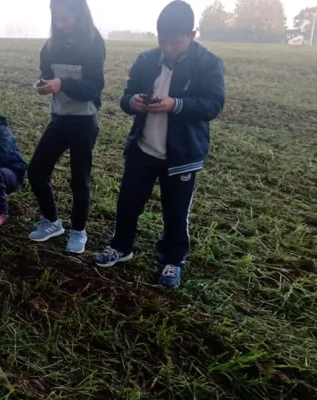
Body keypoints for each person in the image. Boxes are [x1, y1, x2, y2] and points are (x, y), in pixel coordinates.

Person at [94, 0, 225, 288]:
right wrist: (134, 102)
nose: (168, 48)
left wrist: (174, 104)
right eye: (162, 41)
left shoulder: (208, 63)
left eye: (176, 42)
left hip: (182, 154)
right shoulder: (146, 59)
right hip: (143, 149)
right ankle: (122, 246)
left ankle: (171, 260)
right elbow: (125, 98)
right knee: (127, 203)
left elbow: (213, 105)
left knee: (176, 212)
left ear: (192, 34)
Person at [27, 0, 106, 254]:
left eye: (65, 18)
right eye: (56, 18)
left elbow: (94, 87)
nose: (60, 23)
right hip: (59, 119)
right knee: (37, 171)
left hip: (84, 122)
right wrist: (43, 84)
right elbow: (46, 74)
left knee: (79, 180)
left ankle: (79, 230)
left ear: (79, 14)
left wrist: (62, 84)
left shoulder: (94, 44)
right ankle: (51, 222)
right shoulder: (50, 46)